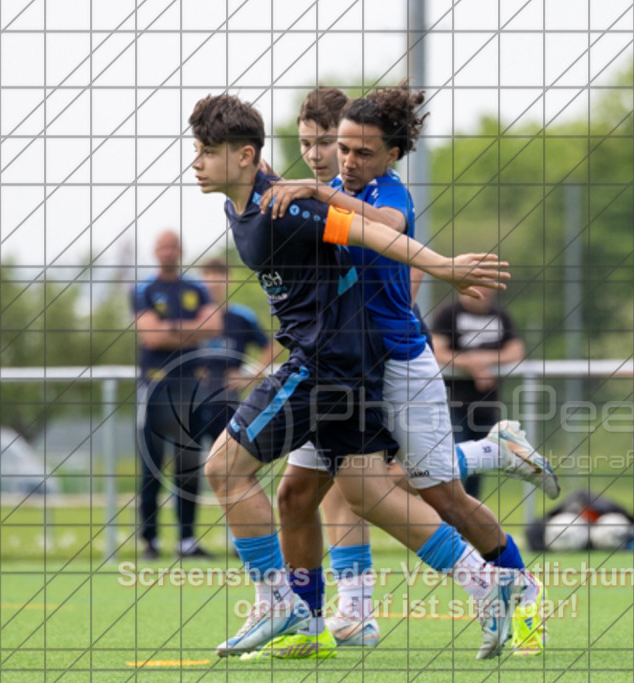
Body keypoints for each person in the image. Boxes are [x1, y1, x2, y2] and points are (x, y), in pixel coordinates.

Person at [189, 93, 524, 661]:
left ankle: (279, 605)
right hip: (351, 361)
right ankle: (484, 582)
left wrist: (442, 266)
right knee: (366, 493)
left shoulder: (284, 208)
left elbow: (375, 232)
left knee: (224, 467)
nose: (195, 163)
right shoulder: (246, 202)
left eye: (206, 151)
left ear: (244, 155)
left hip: (325, 364)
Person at [132, 230, 221, 560]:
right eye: (163, 246)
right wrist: (189, 331)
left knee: (188, 465)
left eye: (173, 246)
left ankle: (186, 540)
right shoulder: (143, 289)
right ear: (155, 250)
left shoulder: (196, 288)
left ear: (180, 250)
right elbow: (151, 337)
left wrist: (169, 327)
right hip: (155, 388)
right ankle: (150, 541)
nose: (168, 251)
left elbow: (214, 326)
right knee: (151, 466)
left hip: (190, 388)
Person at [430, 286, 527, 498]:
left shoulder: (500, 315)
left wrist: (483, 361)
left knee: (477, 471)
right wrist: (470, 365)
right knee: (451, 468)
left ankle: (468, 518)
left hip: (487, 406)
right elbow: (436, 351)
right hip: (453, 406)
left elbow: (516, 351)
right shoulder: (448, 314)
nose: (485, 290)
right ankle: (445, 515)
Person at [195, 257, 274, 444]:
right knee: (187, 457)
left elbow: (271, 348)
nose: (214, 282)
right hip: (194, 398)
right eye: (208, 276)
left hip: (228, 401)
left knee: (227, 456)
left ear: (228, 279)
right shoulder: (192, 316)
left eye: (219, 276)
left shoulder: (242, 317)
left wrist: (250, 377)